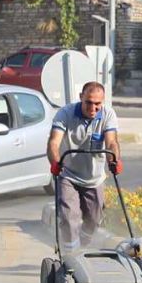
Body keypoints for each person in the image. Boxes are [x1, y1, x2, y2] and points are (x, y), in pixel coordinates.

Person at [47, 81, 121, 251]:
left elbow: (111, 142)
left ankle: (82, 245)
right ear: (81, 97)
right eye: (88, 102)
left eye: (97, 104)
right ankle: (70, 254)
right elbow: (53, 142)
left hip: (94, 178)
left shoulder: (108, 114)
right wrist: (56, 162)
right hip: (68, 174)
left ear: (102, 102)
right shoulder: (65, 113)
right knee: (68, 216)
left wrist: (114, 160)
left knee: (94, 220)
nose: (93, 108)